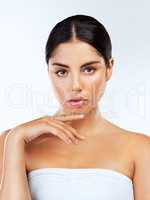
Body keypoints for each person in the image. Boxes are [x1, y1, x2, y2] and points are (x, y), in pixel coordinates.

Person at [0, 14, 150, 200]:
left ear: (109, 68)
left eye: (88, 69)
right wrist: (16, 138)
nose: (75, 85)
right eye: (62, 71)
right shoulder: (12, 142)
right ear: (49, 71)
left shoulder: (140, 149)